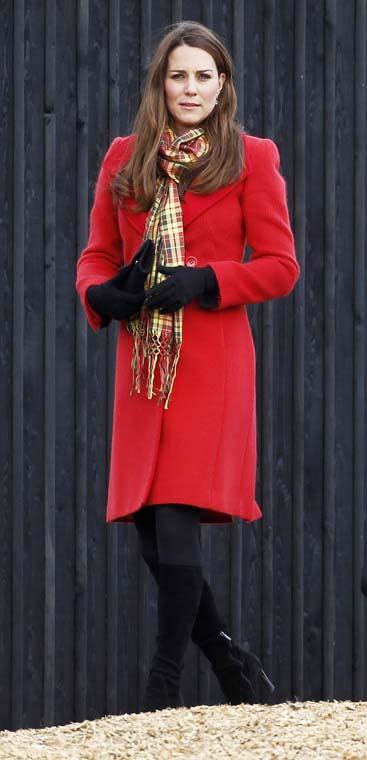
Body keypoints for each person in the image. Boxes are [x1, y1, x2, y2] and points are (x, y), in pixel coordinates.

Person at [75, 20, 300, 713]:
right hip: (142, 366)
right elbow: (97, 255)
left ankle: (162, 688)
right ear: (159, 84)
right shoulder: (123, 158)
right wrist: (100, 294)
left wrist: (206, 281)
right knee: (149, 523)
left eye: (204, 75)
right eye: (178, 75)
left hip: (209, 363)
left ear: (222, 85)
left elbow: (279, 267)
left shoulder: (251, 157)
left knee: (174, 512)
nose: (190, 88)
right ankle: (229, 660)